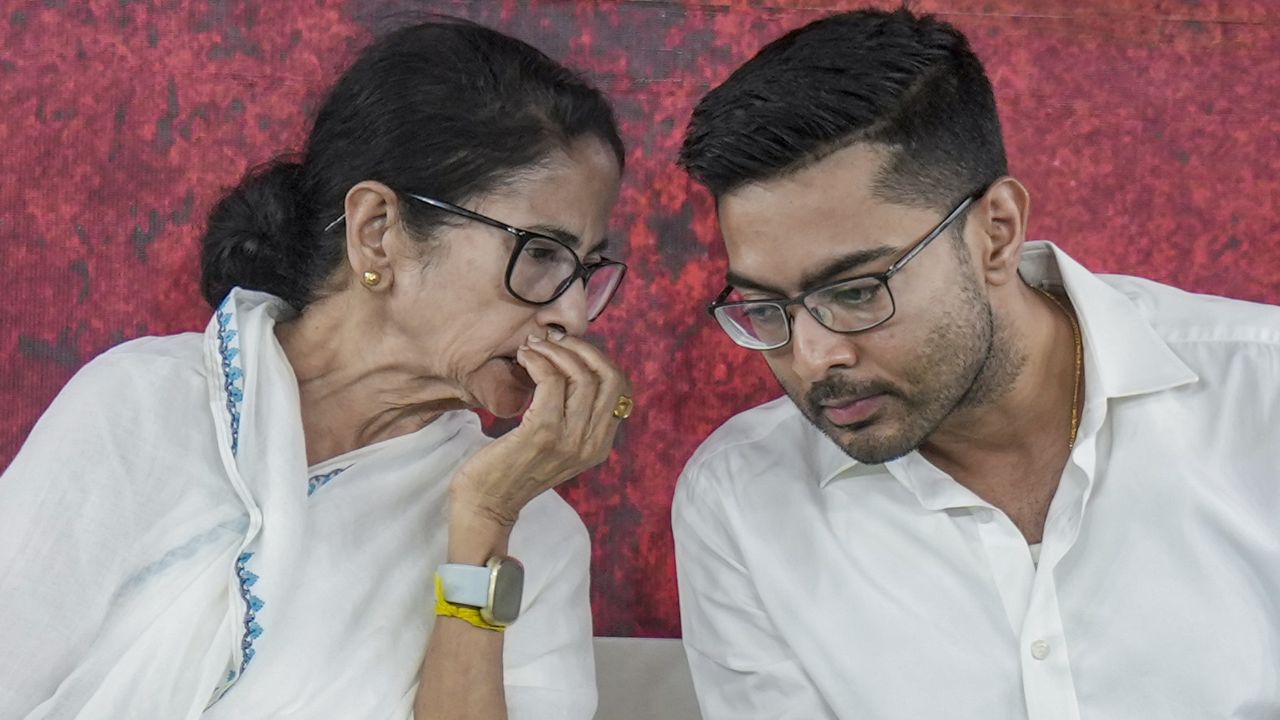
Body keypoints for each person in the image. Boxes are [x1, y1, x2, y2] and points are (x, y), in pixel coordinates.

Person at [0, 19, 633, 720]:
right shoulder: (142, 409)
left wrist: (484, 523)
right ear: (377, 231)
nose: (573, 316)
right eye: (541, 253)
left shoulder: (535, 534)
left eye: (587, 270)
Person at [672, 7, 1280, 719]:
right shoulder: (740, 502)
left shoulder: (1261, 396)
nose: (813, 358)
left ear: (997, 232)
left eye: (857, 291)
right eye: (764, 306)